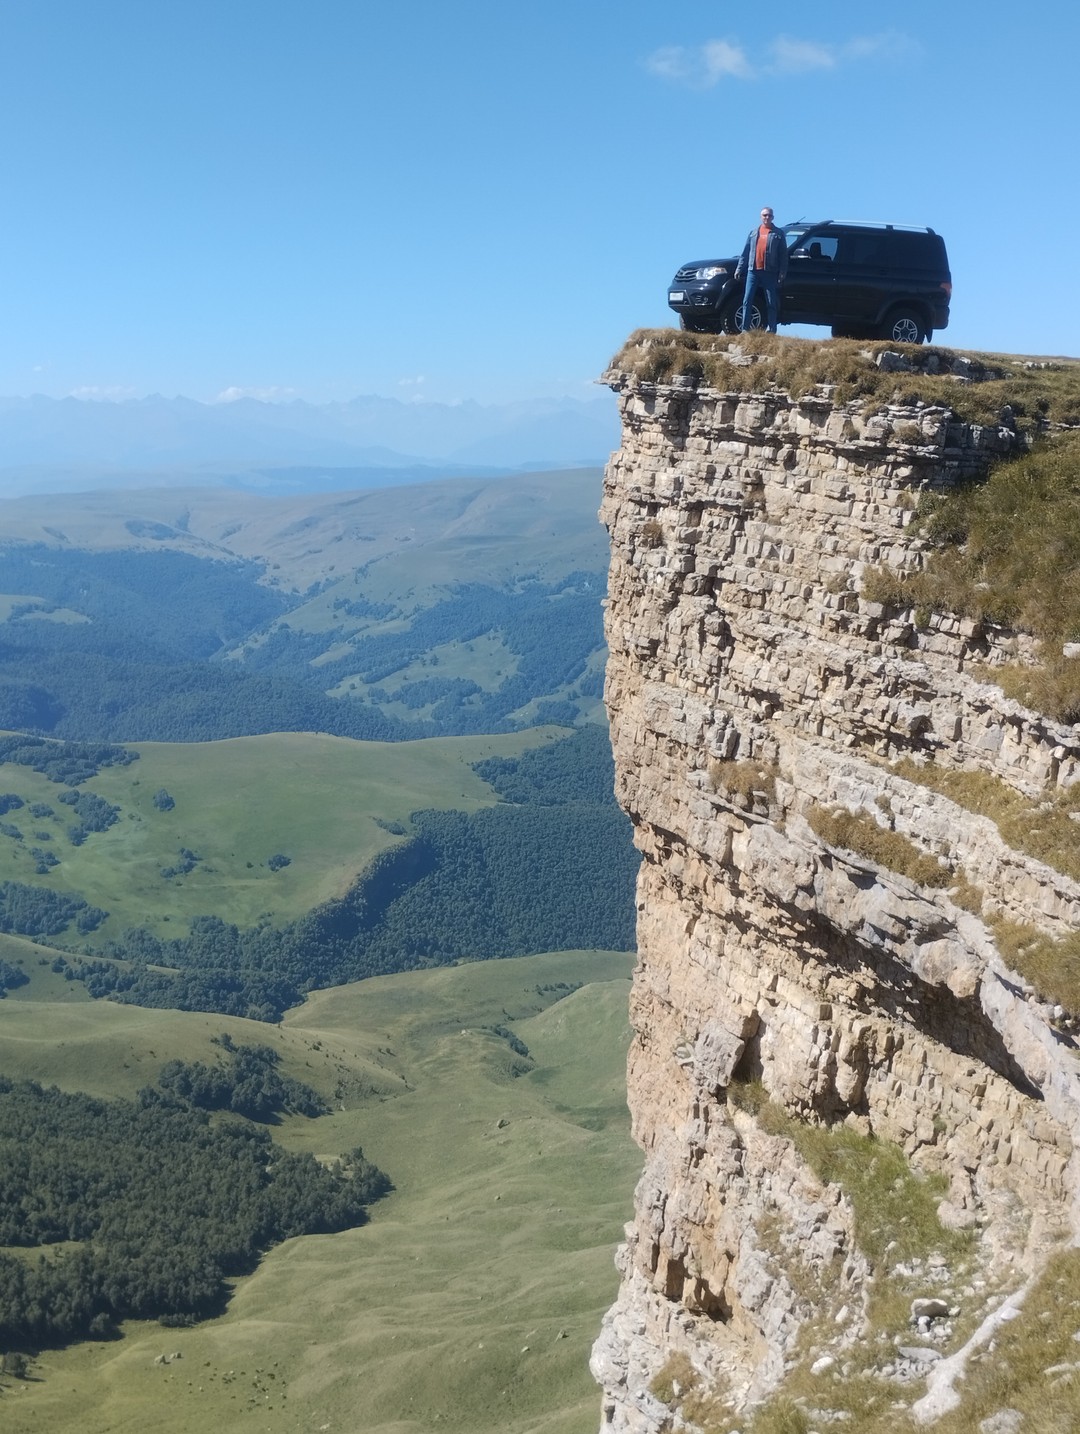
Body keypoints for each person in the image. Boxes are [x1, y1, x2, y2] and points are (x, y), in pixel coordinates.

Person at [734, 207, 788, 333]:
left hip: (770, 272)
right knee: (747, 299)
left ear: (773, 217)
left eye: (769, 215)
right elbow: (745, 253)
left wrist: (782, 273)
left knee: (771, 302)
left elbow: (783, 256)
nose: (766, 218)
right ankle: (745, 329)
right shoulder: (753, 233)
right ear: (760, 217)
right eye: (764, 215)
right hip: (753, 271)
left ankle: (772, 329)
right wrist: (739, 269)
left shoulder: (778, 233)